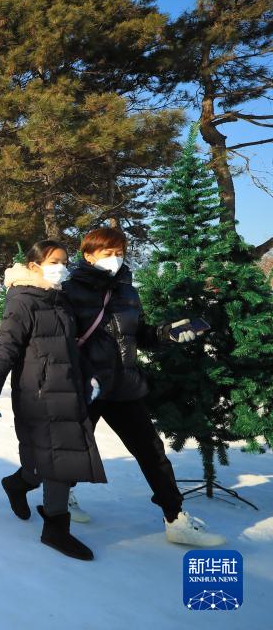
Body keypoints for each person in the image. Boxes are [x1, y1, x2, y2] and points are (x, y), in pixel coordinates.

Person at [62, 227, 226, 547]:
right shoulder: (69, 292)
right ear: (88, 256)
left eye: (119, 251)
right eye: (107, 253)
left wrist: (173, 333)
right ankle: (58, 496)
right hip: (88, 387)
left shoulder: (128, 292)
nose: (115, 258)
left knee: (152, 452)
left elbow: (142, 335)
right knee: (74, 448)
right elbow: (59, 342)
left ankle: (175, 518)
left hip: (124, 387)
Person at [0, 240, 106, 561]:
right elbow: (5, 345)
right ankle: (56, 529)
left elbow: (72, 346)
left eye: (65, 261)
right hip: (38, 393)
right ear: (35, 265)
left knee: (52, 458)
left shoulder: (60, 299)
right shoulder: (23, 301)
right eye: (55, 261)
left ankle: (18, 484)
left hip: (67, 388)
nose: (62, 267)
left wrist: (89, 374)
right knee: (59, 460)